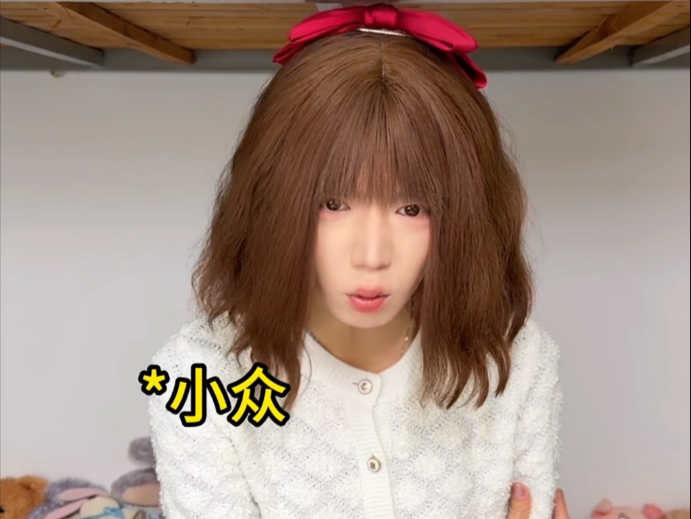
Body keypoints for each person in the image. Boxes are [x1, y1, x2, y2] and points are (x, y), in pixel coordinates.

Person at [147, 3, 566, 518]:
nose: (372, 256)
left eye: (412, 209)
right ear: (270, 198)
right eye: (334, 203)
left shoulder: (517, 361)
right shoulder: (197, 374)